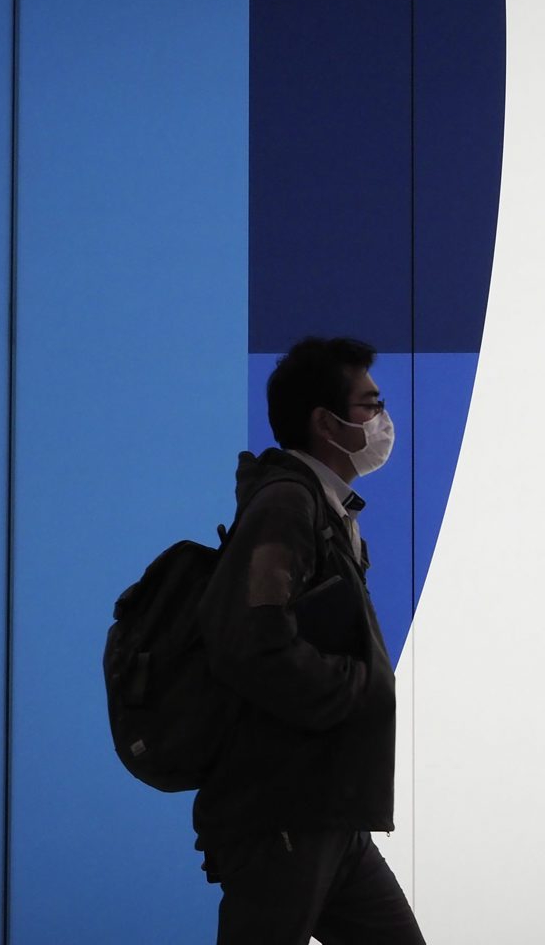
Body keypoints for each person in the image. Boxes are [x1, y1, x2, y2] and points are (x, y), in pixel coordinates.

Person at [192, 336, 425, 945]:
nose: (383, 420)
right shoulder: (285, 507)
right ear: (326, 422)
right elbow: (252, 646)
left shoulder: (323, 507)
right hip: (283, 818)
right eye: (370, 404)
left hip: (329, 814)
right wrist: (358, 687)